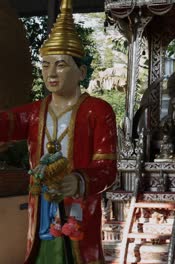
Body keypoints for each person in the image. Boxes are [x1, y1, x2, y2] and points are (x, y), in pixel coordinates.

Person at [0, 0, 117, 263]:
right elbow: (3, 125)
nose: (51, 73)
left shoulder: (97, 111)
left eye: (61, 65)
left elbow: (107, 169)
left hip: (77, 206)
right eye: (45, 65)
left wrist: (78, 181)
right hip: (41, 206)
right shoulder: (33, 112)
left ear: (82, 71)